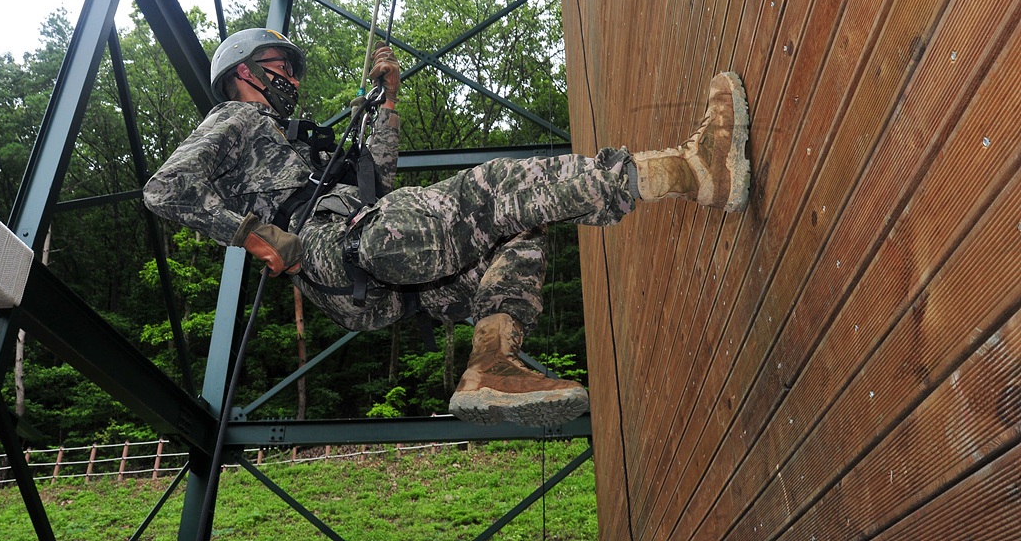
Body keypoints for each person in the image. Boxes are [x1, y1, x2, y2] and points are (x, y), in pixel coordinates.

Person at [143, 28, 751, 427]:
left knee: (522, 233)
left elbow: (373, 180)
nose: (293, 79)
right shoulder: (234, 118)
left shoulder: (292, 148)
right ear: (243, 72)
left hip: (366, 278)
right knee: (499, 190)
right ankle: (689, 170)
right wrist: (252, 234)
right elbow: (165, 190)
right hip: (341, 251)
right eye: (280, 66)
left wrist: (388, 104)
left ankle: (491, 363)